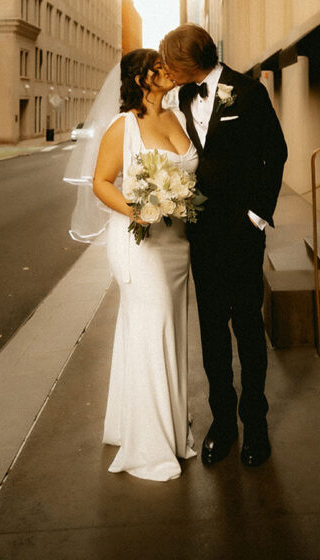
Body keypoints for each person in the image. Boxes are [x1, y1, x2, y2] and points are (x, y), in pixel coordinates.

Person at [159, 24, 288, 468]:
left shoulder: (248, 92)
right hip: (201, 233)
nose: (167, 71)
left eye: (170, 63)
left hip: (242, 232)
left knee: (248, 326)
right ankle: (222, 425)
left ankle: (255, 423)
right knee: (211, 330)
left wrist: (258, 214)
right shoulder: (177, 99)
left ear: (188, 61)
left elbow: (278, 152)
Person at [90, 49, 199, 481]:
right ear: (140, 78)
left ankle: (169, 432)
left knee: (170, 333)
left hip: (177, 243)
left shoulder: (175, 117)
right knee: (152, 332)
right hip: (142, 243)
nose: (167, 70)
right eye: (159, 67)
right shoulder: (123, 126)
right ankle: (150, 445)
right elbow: (101, 182)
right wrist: (138, 211)